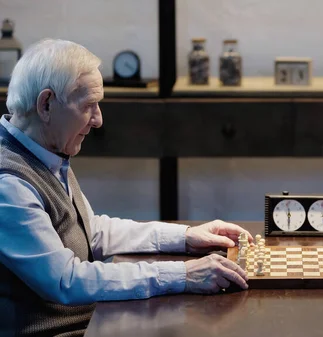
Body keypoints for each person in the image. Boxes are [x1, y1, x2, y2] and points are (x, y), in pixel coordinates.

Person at [0, 38, 252, 336]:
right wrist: (183, 274)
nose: (98, 120)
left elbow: (91, 231)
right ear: (46, 104)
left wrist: (185, 237)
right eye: (88, 106)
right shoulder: (10, 184)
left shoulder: (47, 152)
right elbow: (66, 280)